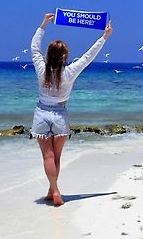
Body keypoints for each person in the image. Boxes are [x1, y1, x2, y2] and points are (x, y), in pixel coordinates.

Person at [31, 13, 113, 206]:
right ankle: (55, 190)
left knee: (47, 156)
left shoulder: (41, 69)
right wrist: (104, 37)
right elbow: (88, 57)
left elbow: (34, 48)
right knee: (56, 156)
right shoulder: (70, 72)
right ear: (65, 57)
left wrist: (43, 24)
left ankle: (54, 190)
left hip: (42, 113)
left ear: (48, 56)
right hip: (60, 114)